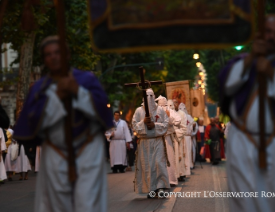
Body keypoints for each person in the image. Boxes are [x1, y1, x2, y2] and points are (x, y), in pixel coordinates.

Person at [219, 15, 275, 212]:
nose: (271, 37)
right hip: (242, 142)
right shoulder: (240, 62)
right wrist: (251, 59)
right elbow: (228, 87)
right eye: (268, 32)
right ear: (260, 34)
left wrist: (270, 73)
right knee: (245, 203)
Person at [12, 36, 113, 212]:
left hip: (87, 150)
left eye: (58, 52)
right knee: (58, 206)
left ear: (67, 54)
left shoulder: (86, 80)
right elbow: (30, 122)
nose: (54, 57)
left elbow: (102, 112)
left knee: (87, 205)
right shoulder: (39, 88)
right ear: (44, 59)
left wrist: (77, 91)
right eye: (48, 54)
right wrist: (56, 97)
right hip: (55, 152)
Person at [132, 88, 170, 198]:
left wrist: (155, 126)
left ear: (154, 96)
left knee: (159, 163)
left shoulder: (160, 110)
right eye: (147, 96)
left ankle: (161, 187)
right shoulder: (139, 111)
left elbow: (166, 124)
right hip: (144, 143)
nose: (149, 98)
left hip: (157, 140)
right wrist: (143, 122)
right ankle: (151, 190)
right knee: (147, 166)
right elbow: (134, 126)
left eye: (151, 96)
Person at [156, 96, 180, 187]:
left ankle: (171, 180)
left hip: (167, 138)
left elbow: (178, 121)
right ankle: (161, 180)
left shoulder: (170, 110)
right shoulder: (155, 110)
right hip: (158, 138)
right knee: (159, 159)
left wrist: (169, 117)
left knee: (169, 158)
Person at [172, 99, 187, 182]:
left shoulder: (182, 114)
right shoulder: (170, 113)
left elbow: (184, 127)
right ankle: (175, 175)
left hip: (179, 137)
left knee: (180, 155)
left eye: (176, 103)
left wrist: (177, 133)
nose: (174, 104)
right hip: (171, 138)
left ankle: (181, 174)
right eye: (173, 103)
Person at [178, 103, 193, 175]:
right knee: (182, 152)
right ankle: (182, 168)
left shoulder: (189, 117)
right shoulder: (177, 115)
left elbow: (192, 126)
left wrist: (193, 128)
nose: (182, 110)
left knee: (188, 152)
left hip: (187, 137)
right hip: (181, 137)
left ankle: (189, 166)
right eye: (180, 108)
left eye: (183, 108)